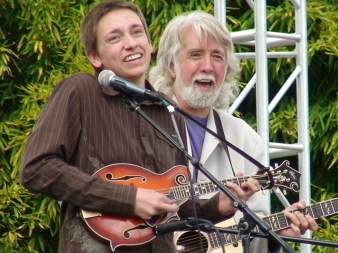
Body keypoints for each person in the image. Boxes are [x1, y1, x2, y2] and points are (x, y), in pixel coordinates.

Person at [19, 1, 260, 252]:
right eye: (115, 37)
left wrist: (217, 206)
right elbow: (37, 168)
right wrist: (129, 199)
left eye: (137, 32)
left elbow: (172, 202)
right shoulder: (80, 91)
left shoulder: (168, 111)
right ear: (94, 56)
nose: (131, 43)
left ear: (150, 43)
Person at [150, 10, 318, 253]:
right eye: (195, 54)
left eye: (217, 56)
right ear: (171, 66)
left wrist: (276, 233)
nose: (207, 66)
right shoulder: (143, 123)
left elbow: (253, 241)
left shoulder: (244, 138)